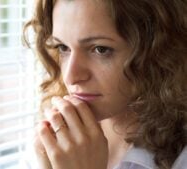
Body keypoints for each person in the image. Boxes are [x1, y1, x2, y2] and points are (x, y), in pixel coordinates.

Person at [22, 0, 187, 169]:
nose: (71, 77)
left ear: (158, 51)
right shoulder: (54, 139)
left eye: (100, 49)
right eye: (63, 47)